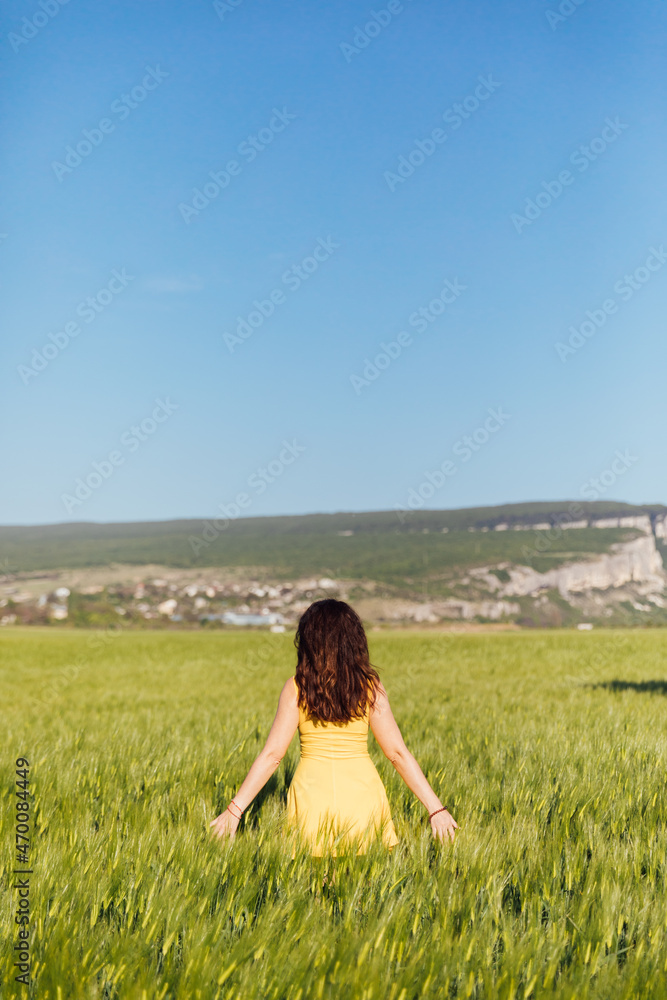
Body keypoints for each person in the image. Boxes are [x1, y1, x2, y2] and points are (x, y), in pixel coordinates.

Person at [210, 599, 458, 854]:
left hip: (311, 801)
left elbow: (273, 755)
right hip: (363, 799)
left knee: (316, 890)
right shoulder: (369, 687)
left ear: (308, 641)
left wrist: (234, 810)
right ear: (354, 642)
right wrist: (435, 809)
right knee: (363, 889)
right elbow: (397, 753)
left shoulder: (297, 687)